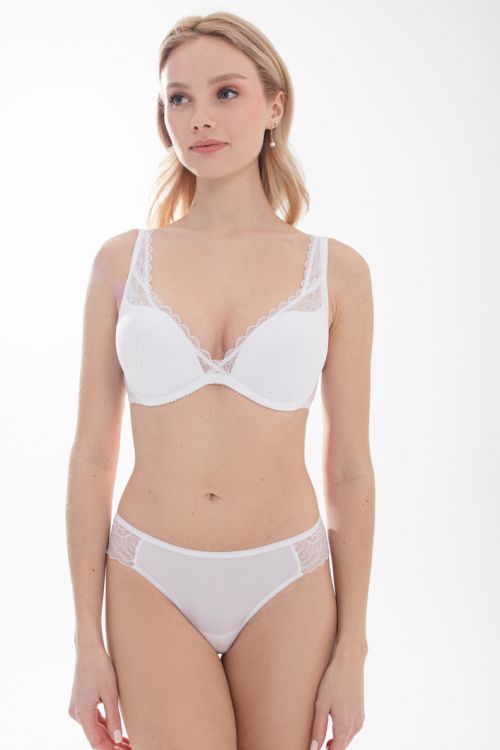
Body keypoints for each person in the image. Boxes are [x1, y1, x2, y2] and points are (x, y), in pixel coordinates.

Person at [66, 11, 374, 750]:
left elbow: (350, 469)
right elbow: (92, 459)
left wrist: (352, 651)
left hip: (287, 578)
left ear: (274, 106)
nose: (199, 117)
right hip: (150, 574)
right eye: (179, 98)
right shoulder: (122, 263)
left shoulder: (336, 272)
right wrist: (85, 642)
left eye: (226, 93)